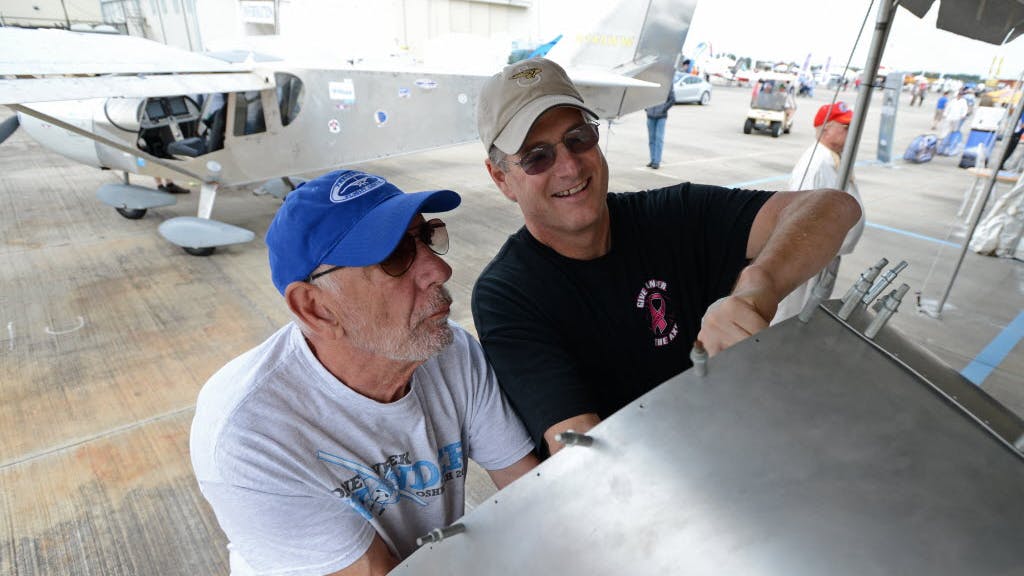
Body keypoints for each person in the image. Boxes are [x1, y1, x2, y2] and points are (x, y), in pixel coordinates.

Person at [472, 57, 861, 457]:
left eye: (578, 137)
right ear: (501, 178)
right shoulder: (508, 294)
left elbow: (833, 207)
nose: (569, 166)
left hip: (730, 448)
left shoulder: (674, 215)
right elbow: (579, 450)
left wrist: (757, 286)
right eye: (537, 156)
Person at [191, 170, 537, 575]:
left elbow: (531, 493)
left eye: (426, 239)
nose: (439, 271)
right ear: (315, 308)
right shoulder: (250, 434)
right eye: (394, 256)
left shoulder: (451, 353)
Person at [773, 102, 866, 323]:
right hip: (810, 258)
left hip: (825, 254)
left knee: (809, 310)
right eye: (845, 128)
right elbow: (799, 216)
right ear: (825, 129)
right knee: (794, 313)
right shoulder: (816, 165)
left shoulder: (832, 159)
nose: (851, 133)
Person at [644, 85, 675, 169]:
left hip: (661, 116)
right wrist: (647, 108)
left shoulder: (667, 82)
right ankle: (653, 159)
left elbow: (672, 99)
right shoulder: (651, 81)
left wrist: (663, 109)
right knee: (651, 139)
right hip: (650, 115)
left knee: (659, 138)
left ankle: (657, 161)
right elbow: (645, 96)